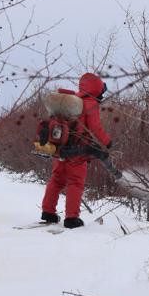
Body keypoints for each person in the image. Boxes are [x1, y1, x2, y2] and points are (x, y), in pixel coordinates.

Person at [40, 72, 111, 228]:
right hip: (77, 152)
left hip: (60, 148)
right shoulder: (90, 103)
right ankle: (72, 218)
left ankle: (48, 212)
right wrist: (107, 142)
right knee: (75, 183)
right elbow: (95, 128)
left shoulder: (71, 100)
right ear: (97, 89)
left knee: (56, 180)